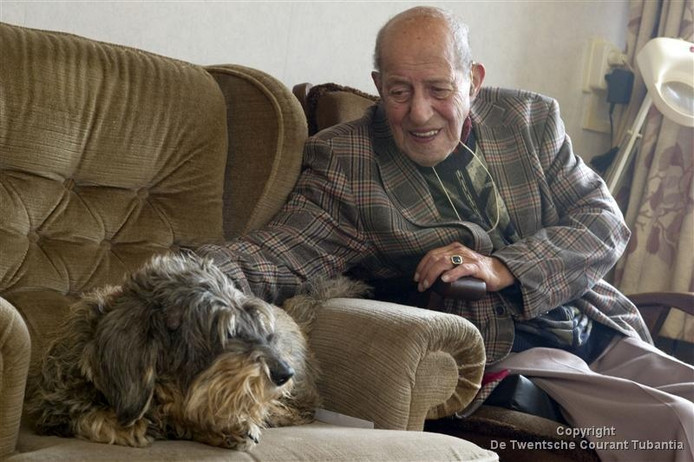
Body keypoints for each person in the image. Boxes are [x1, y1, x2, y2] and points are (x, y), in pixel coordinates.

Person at [197, 6, 693, 461]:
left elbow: (603, 221)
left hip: (596, 324)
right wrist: (174, 278)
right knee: (677, 426)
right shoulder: (347, 162)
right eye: (398, 91)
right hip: (510, 355)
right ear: (377, 84)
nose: (418, 112)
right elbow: (274, 254)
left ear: (473, 81)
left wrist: (503, 267)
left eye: (438, 89)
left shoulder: (530, 121)